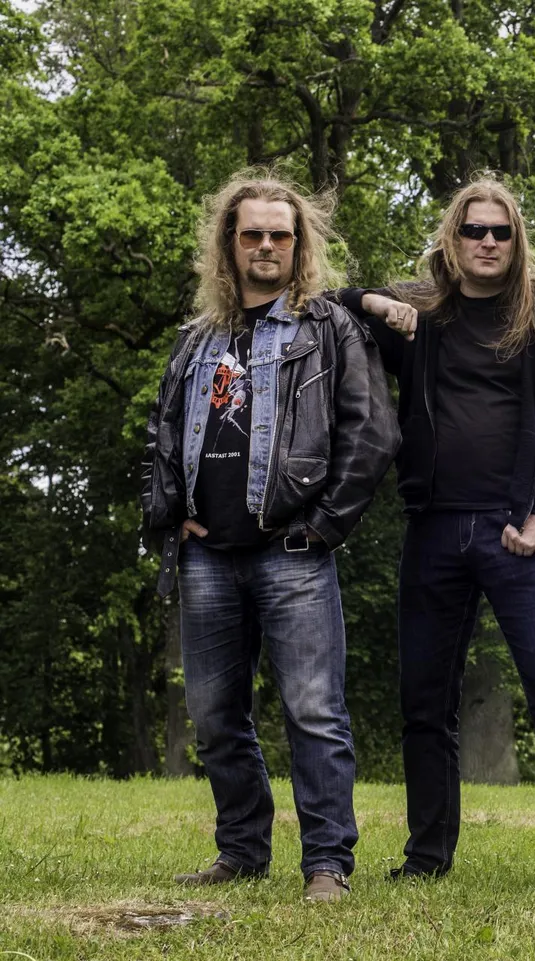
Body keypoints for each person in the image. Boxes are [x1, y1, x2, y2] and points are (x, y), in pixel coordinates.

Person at [339, 176, 535, 897]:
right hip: (433, 527)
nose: (487, 242)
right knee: (424, 703)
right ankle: (427, 856)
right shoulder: (421, 311)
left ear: (516, 239)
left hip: (520, 532)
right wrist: (372, 301)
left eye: (501, 231)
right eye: (474, 230)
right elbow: (323, 306)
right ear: (452, 238)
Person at [140, 171, 400, 901]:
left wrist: (324, 525)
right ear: (230, 242)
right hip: (205, 555)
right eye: (251, 233)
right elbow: (164, 432)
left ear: (298, 244)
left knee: (314, 712)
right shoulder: (198, 339)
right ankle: (242, 850)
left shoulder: (328, 328)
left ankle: (327, 864)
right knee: (214, 717)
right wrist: (171, 513)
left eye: (278, 235)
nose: (264, 246)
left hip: (293, 553)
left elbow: (372, 433)